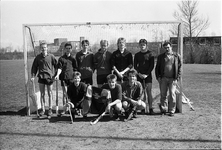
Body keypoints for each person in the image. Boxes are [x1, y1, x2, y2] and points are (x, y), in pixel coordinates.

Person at [155, 41, 182, 116]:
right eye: (165, 48)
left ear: (171, 47)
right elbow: (157, 68)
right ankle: (164, 109)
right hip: (163, 78)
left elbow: (180, 68)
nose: (167, 49)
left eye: (168, 47)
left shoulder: (177, 56)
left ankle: (171, 110)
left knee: (172, 94)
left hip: (173, 79)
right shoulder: (161, 57)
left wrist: (177, 78)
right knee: (163, 94)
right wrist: (158, 77)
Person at [31, 42, 57, 117]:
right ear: (40, 49)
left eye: (45, 47)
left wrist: (56, 75)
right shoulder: (38, 57)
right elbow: (34, 67)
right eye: (42, 48)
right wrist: (33, 76)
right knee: (42, 94)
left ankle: (50, 109)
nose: (43, 49)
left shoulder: (51, 56)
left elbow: (57, 66)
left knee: (50, 94)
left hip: (49, 78)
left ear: (47, 48)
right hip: (41, 77)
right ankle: (43, 109)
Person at [54, 43, 78, 115]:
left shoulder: (73, 59)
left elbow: (75, 69)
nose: (68, 50)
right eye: (67, 48)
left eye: (69, 48)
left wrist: (75, 78)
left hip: (71, 79)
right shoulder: (61, 59)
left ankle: (73, 109)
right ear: (64, 49)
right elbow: (59, 68)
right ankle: (65, 109)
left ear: (71, 49)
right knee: (65, 95)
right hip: (64, 79)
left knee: (72, 94)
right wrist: (57, 75)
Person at [134, 39, 155, 115]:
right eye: (141, 45)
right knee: (141, 93)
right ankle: (142, 108)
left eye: (144, 45)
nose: (142, 46)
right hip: (139, 76)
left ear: (146, 45)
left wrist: (146, 74)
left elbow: (151, 66)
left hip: (148, 76)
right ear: (139, 45)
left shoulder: (150, 54)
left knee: (149, 92)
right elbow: (135, 66)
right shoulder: (137, 55)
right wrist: (139, 74)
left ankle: (150, 108)